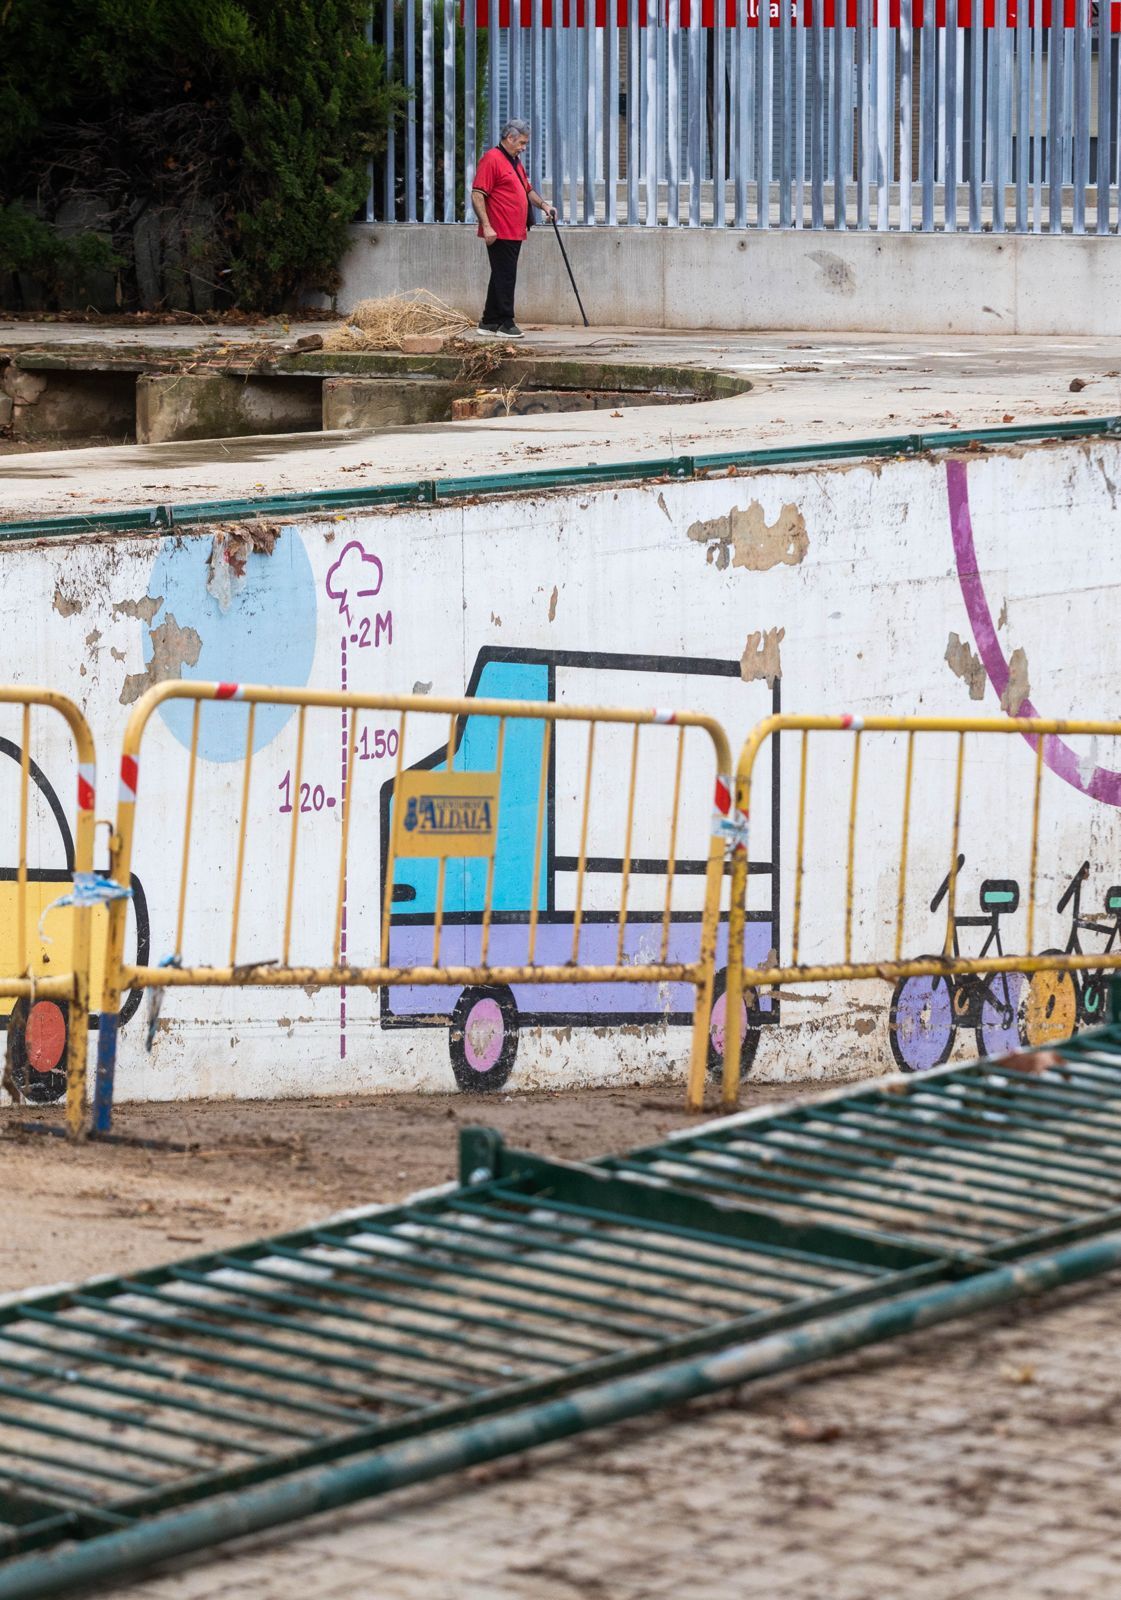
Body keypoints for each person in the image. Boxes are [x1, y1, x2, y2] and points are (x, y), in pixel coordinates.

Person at [471, 118, 556, 339]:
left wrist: (545, 206)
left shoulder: (514, 161)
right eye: (521, 143)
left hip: (515, 229)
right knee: (506, 276)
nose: (524, 148)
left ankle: (489, 321)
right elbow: (478, 193)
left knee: (501, 274)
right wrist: (487, 226)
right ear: (510, 138)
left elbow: (527, 190)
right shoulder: (491, 159)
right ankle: (506, 323)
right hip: (500, 230)